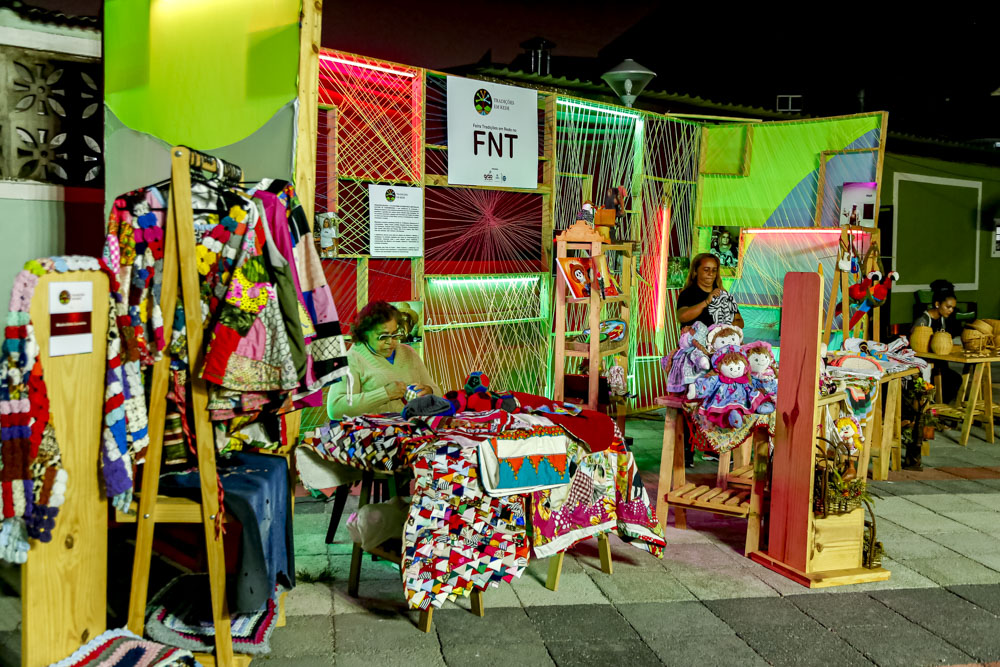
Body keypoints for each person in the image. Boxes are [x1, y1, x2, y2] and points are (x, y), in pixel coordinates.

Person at [327, 300, 440, 420]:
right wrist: (385, 393)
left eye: (395, 334)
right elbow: (335, 409)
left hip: (414, 427)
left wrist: (429, 392)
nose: (391, 342)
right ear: (365, 334)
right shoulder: (351, 359)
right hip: (374, 430)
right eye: (383, 336)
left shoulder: (408, 353)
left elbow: (438, 393)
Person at [910, 278, 961, 404]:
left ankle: (940, 406)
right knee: (946, 381)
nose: (951, 310)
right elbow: (914, 344)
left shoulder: (942, 320)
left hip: (937, 362)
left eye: (953, 308)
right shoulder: (923, 320)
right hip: (923, 363)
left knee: (955, 379)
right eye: (948, 307)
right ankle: (932, 406)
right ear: (937, 304)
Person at [676, 253, 744, 329]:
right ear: (695, 271)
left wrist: (726, 328)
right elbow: (682, 317)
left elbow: (740, 322)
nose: (711, 273)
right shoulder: (687, 293)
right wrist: (706, 302)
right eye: (706, 269)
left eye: (714, 270)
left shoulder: (723, 294)